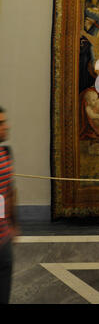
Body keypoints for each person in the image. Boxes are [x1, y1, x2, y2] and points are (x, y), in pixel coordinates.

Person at [0, 107, 18, 304]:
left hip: (3, 240)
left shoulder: (6, 153)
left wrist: (13, 223)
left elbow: (9, 191)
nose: (7, 126)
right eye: (1, 123)